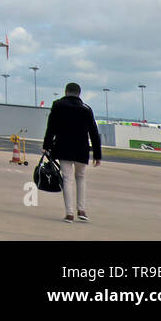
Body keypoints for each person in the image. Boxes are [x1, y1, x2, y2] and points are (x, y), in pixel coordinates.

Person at [41, 82, 103, 223]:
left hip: (64, 147)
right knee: (80, 177)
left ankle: (69, 213)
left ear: (66, 92)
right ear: (79, 94)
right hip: (81, 149)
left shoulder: (58, 105)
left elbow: (51, 127)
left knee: (67, 179)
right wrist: (97, 154)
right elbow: (94, 133)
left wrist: (46, 145)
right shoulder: (86, 109)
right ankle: (81, 210)